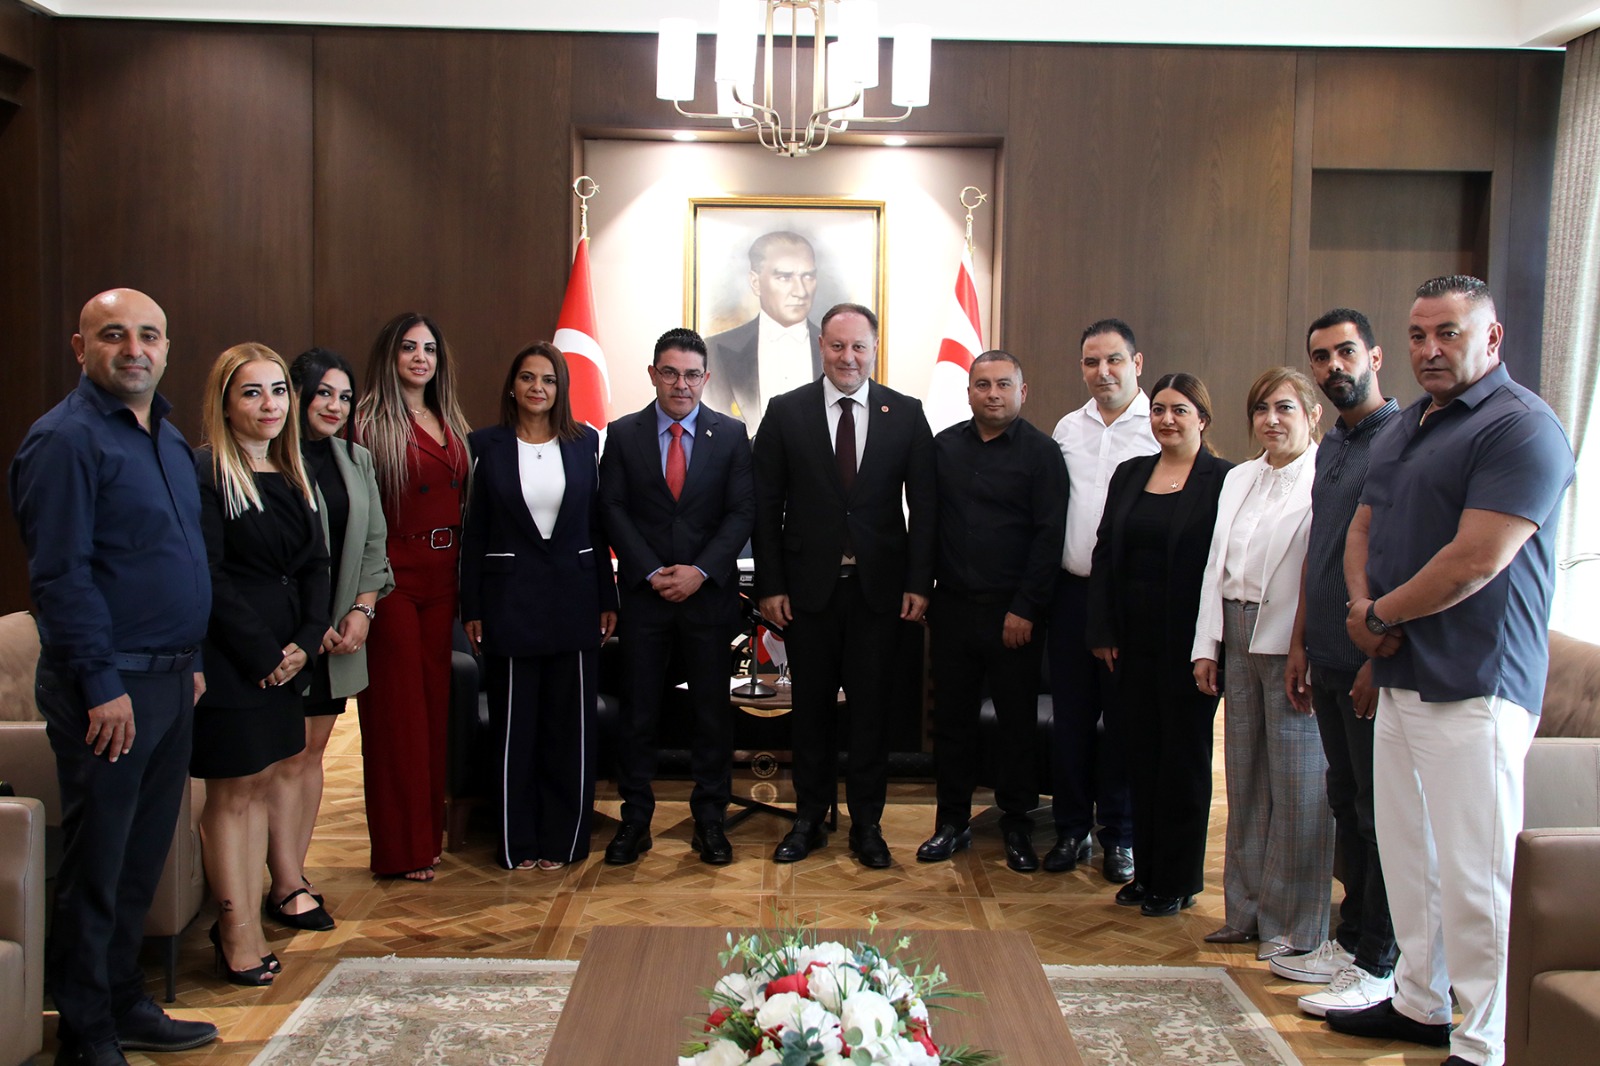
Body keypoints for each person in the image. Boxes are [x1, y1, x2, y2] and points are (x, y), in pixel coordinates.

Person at [1328, 276, 1573, 1066]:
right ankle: (1420, 1003)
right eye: (1417, 334)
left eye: (1449, 333)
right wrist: (1365, 610)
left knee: (1476, 874)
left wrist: (1378, 617)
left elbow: (1476, 560)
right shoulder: (1408, 425)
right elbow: (1364, 525)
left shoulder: (1522, 427)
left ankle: (1484, 1038)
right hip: (1401, 675)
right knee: (1410, 858)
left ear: (1491, 338)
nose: (1430, 349)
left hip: (1476, 681)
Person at [9, 289, 218, 1066]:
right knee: (98, 864)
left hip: (170, 680)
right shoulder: (64, 441)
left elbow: (180, 558)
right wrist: (101, 684)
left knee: (140, 859)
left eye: (149, 336)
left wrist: (192, 661)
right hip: (110, 688)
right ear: (81, 347)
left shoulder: (166, 436)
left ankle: (126, 1000)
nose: (135, 350)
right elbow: (60, 578)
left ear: (166, 346)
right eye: (114, 335)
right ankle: (86, 1030)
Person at [753, 303, 936, 868]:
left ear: (874, 349)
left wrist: (919, 580)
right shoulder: (786, 411)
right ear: (821, 347)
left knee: (871, 713)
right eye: (837, 346)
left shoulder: (906, 413)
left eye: (858, 346)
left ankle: (868, 825)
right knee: (810, 711)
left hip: (879, 593)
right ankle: (808, 818)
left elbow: (925, 507)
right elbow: (765, 507)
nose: (848, 357)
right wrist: (770, 584)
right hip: (807, 593)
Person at [192, 343, 329, 986]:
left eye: (278, 391)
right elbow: (209, 576)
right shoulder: (205, 471)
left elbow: (314, 566)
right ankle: (235, 930)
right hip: (233, 659)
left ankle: (248, 914)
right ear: (225, 403)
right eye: (252, 392)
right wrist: (263, 655)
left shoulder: (290, 469)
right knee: (234, 794)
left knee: (267, 782)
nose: (270, 404)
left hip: (287, 660)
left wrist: (305, 640)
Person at [1279, 311, 1400, 1012]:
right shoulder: (1333, 445)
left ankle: (1380, 960)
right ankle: (1350, 940)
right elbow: (1319, 550)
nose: (1333, 367)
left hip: (1369, 661)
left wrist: (1378, 658)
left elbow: (1399, 555)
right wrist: (1299, 642)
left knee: (1378, 814)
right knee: (1345, 805)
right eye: (1320, 357)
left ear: (1374, 357)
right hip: (1323, 654)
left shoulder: (1403, 438)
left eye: (1345, 352)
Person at [460, 342, 618, 870]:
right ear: (512, 386)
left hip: (576, 601)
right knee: (515, 731)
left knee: (569, 730)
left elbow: (596, 528)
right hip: (509, 604)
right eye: (527, 378)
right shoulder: (484, 445)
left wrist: (607, 596)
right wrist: (472, 605)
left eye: (548, 380)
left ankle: (565, 841)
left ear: (561, 389)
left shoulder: (585, 443)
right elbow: (474, 532)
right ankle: (517, 842)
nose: (537, 388)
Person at [599, 328, 754, 866]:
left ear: (705, 378)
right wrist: (650, 571)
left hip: (708, 600)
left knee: (711, 715)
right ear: (653, 375)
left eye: (691, 375)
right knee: (639, 712)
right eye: (670, 373)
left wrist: (700, 571)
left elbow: (742, 512)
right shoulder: (623, 434)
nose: (680, 384)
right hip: (644, 600)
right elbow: (611, 508)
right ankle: (635, 820)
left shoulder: (731, 435)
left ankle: (710, 820)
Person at [1191, 367, 1331, 961]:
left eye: (1284, 408)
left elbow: (1321, 575)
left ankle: (1293, 926)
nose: (1271, 420)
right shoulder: (1239, 477)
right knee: (1245, 780)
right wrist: (1207, 645)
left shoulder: (1326, 476)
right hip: (1235, 627)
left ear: (1312, 415)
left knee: (1298, 785)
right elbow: (1215, 565)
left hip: (1292, 640)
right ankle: (1244, 912)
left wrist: (1310, 649)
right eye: (1261, 409)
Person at [1087, 373, 1231, 916]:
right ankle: (1146, 873)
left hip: (1190, 645)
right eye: (1159, 410)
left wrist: (1212, 644)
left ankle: (1177, 880)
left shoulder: (1224, 479)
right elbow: (1105, 553)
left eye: (1180, 410)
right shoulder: (1131, 473)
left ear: (1202, 419)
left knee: (1183, 762)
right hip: (1130, 642)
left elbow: (1223, 567)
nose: (1167, 419)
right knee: (1141, 757)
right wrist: (1102, 630)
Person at [917, 351, 1066, 872]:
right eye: (982, 384)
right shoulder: (943, 448)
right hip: (953, 609)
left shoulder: (1043, 453)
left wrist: (1026, 607)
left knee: (1016, 724)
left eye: (1003, 384)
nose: (993, 394)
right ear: (969, 393)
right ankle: (951, 822)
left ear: (1022, 392)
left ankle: (1017, 823)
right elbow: (926, 524)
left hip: (1014, 616)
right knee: (951, 721)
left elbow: (1049, 536)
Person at [262, 348, 393, 932]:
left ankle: (292, 876)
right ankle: (280, 880)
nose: (335, 406)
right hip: (283, 638)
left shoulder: (355, 458)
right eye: (324, 394)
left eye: (345, 397)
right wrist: (305, 628)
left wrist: (364, 609)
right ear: (296, 395)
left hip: (339, 633)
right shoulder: (266, 457)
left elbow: (373, 543)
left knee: (311, 754)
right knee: (281, 756)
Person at [354, 312, 472, 881]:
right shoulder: (367, 425)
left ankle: (427, 838)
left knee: (433, 709)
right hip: (393, 579)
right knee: (397, 715)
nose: (421, 358)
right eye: (409, 347)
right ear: (390, 355)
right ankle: (400, 850)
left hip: (444, 576)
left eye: (429, 348)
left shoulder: (448, 418)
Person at [1045, 319, 1159, 881]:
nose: (1102, 372)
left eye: (1114, 360)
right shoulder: (1068, 428)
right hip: (1070, 594)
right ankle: (1070, 829)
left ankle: (1120, 835)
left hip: (1128, 602)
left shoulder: (1158, 426)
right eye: (1092, 362)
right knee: (1070, 718)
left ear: (1136, 364)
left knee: (1122, 722)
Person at [704, 231, 823, 434]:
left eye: (808, 276)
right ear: (755, 282)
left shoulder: (838, 352)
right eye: (785, 277)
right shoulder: (713, 351)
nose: (801, 291)